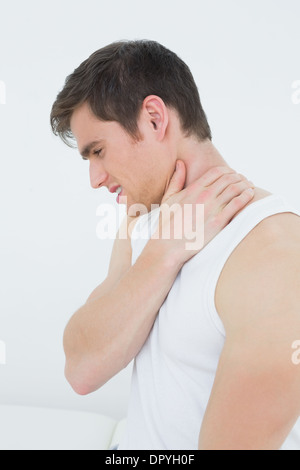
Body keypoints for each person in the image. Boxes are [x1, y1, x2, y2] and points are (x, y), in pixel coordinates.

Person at [50, 40, 300, 450]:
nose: (95, 179)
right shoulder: (144, 220)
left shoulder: (273, 252)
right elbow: (81, 367)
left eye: (98, 150)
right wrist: (163, 251)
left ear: (153, 118)